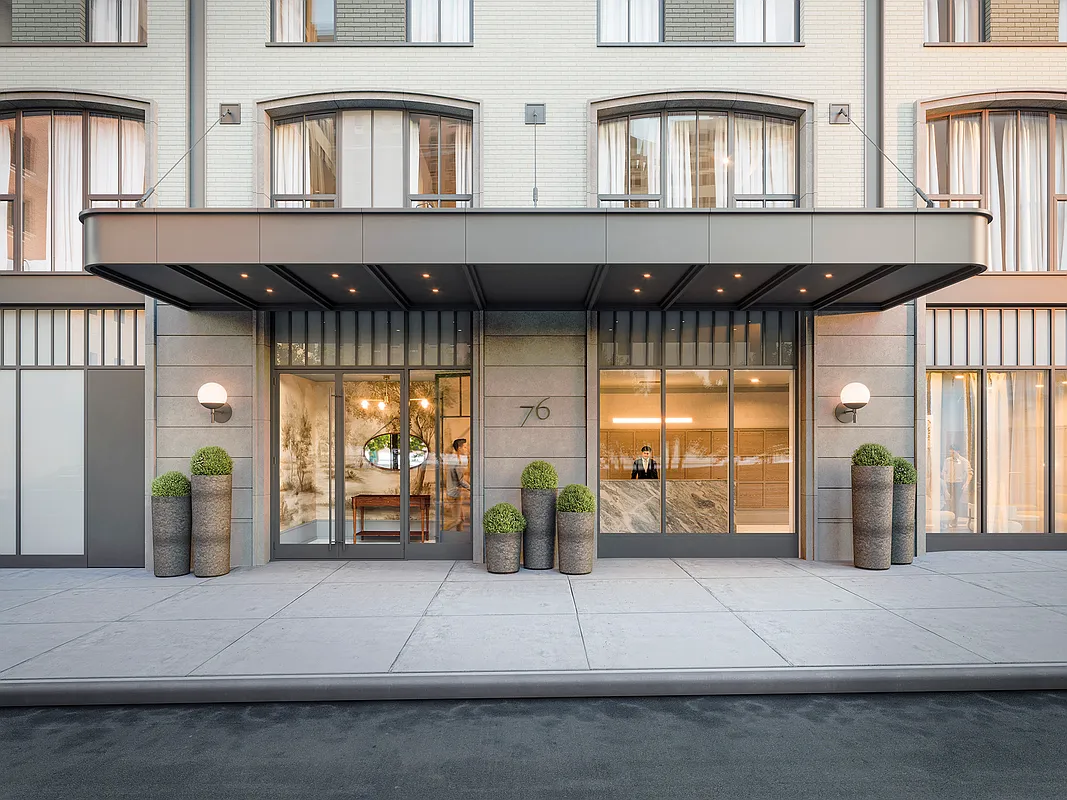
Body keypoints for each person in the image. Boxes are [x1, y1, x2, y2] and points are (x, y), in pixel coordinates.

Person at [942, 444, 973, 529]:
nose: (951, 452)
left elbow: (970, 473)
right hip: (948, 483)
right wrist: (944, 483)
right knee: (947, 501)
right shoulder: (947, 461)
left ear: (957, 451)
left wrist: (966, 484)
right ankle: (947, 521)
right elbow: (944, 472)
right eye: (950, 450)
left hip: (958, 484)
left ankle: (954, 521)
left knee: (955, 502)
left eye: (953, 450)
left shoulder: (964, 461)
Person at [444, 438, 471, 531]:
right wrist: (471, 488)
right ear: (459, 448)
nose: (466, 448)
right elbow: (461, 480)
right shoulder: (456, 461)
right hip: (454, 494)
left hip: (454, 492)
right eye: (464, 447)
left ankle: (461, 539)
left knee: (461, 520)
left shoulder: (455, 459)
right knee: (457, 520)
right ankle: (440, 534)